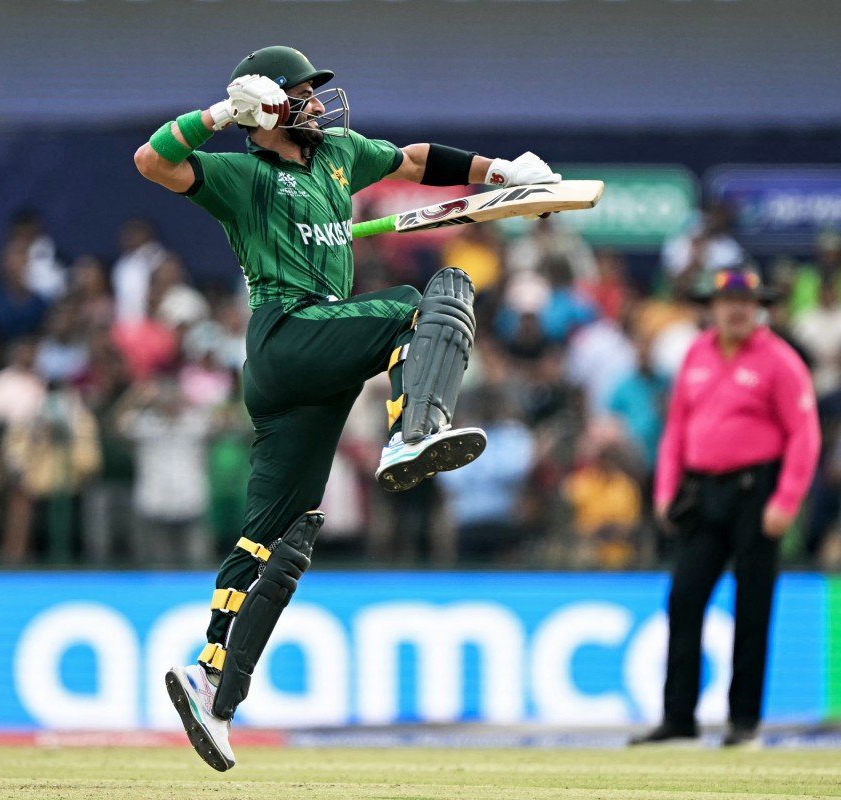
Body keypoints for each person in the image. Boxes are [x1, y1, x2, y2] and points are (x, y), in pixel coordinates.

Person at [133, 45, 561, 771]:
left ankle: (213, 688)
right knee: (424, 300)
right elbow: (152, 160)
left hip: (313, 366)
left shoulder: (337, 157)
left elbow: (416, 161)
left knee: (280, 538)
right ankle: (412, 432)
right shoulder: (242, 176)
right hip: (286, 336)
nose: (318, 104)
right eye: (301, 94)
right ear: (263, 108)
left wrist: (498, 172)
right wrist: (216, 114)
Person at [630, 266, 820, 748]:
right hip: (702, 491)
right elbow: (676, 427)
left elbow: (804, 433)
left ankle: (743, 722)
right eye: (727, 301)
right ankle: (679, 719)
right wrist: (665, 489)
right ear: (712, 308)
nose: (736, 309)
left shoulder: (780, 361)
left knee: (752, 606)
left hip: (757, 491)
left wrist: (787, 499)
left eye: (745, 301)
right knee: (684, 598)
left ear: (759, 307)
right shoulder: (696, 353)